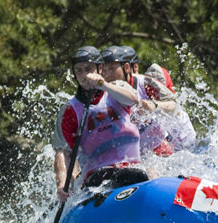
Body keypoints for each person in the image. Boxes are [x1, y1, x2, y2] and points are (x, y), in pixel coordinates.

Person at [51, 46, 147, 202]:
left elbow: (132, 99)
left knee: (146, 172)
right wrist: (63, 184)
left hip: (133, 168)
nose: (84, 75)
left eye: (88, 69)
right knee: (123, 176)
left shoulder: (116, 89)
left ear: (100, 68)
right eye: (79, 71)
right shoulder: (70, 111)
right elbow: (64, 153)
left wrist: (103, 85)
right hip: (98, 177)